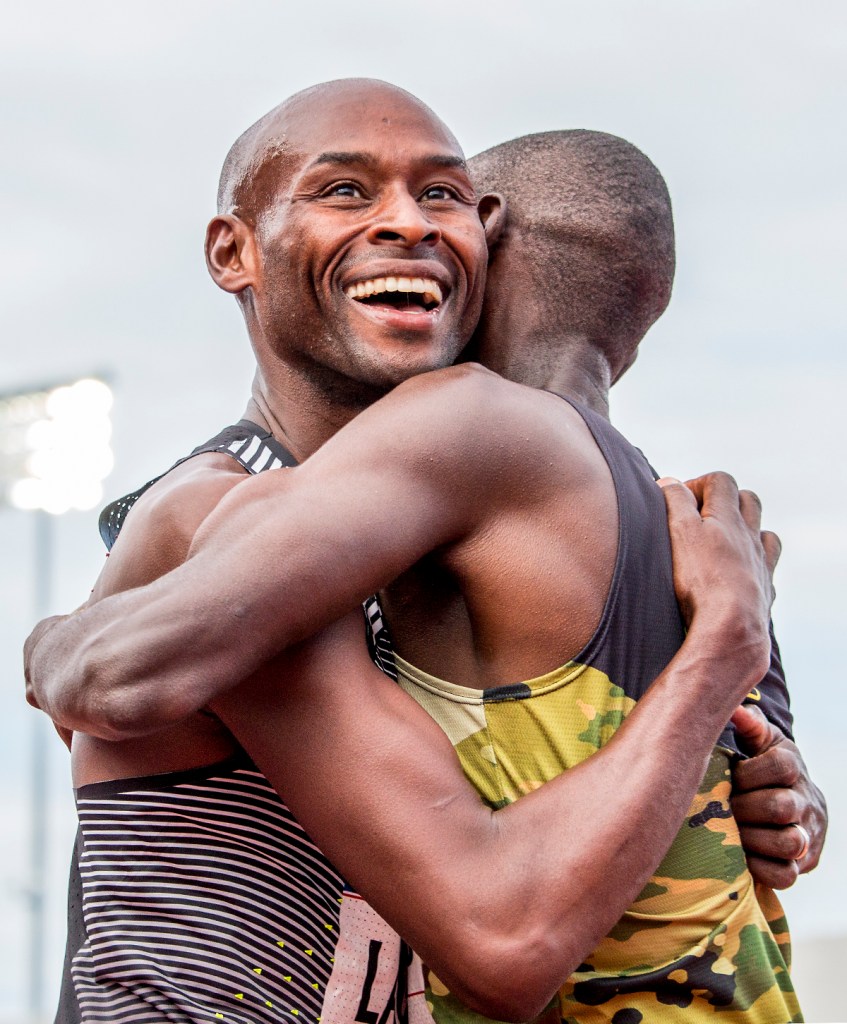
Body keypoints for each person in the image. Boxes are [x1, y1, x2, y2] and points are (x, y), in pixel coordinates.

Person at [25, 88, 817, 1023]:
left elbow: (739, 810)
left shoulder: (445, 552)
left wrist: (762, 789)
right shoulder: (221, 516)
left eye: (443, 195)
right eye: (346, 192)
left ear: (488, 243)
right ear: (232, 251)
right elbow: (504, 936)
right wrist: (54, 646)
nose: (408, 224)